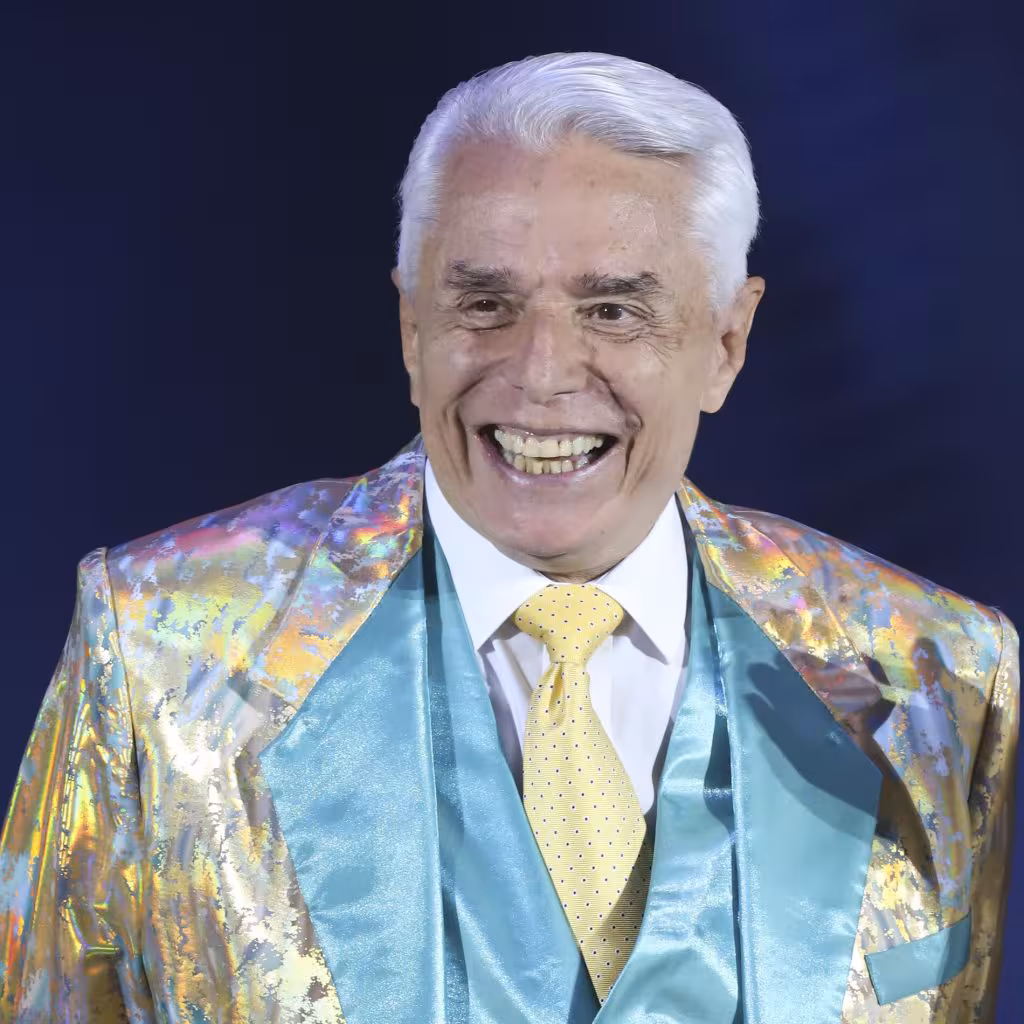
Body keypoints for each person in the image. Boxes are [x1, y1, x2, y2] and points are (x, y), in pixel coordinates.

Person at [0, 51, 1017, 1024]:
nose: (539, 372)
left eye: (613, 311)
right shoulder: (163, 651)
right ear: (412, 329)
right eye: (485, 304)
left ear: (725, 343)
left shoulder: (937, 678)